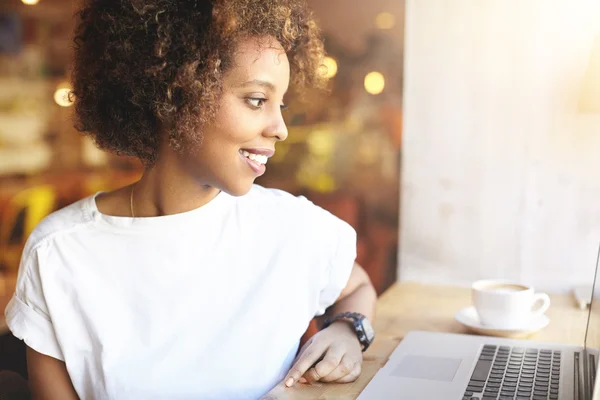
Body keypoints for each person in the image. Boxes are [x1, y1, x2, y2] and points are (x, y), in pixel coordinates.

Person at [4, 0, 377, 398]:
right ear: (177, 94)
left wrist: (348, 330)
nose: (280, 128)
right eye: (256, 100)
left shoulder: (292, 228)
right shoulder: (59, 253)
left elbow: (357, 287)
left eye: (280, 104)